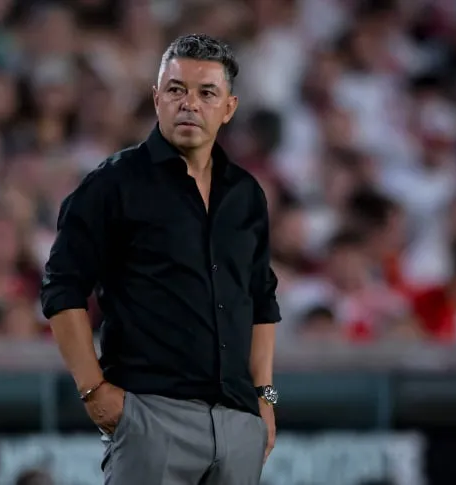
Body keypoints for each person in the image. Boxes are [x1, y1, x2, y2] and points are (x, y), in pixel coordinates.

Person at [41, 34, 280, 485]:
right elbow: (62, 287)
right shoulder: (114, 183)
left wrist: (264, 398)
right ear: (157, 99)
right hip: (151, 416)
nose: (189, 103)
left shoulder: (247, 194)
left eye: (206, 93)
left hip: (238, 423)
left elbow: (261, 299)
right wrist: (93, 390)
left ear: (229, 108)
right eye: (176, 90)